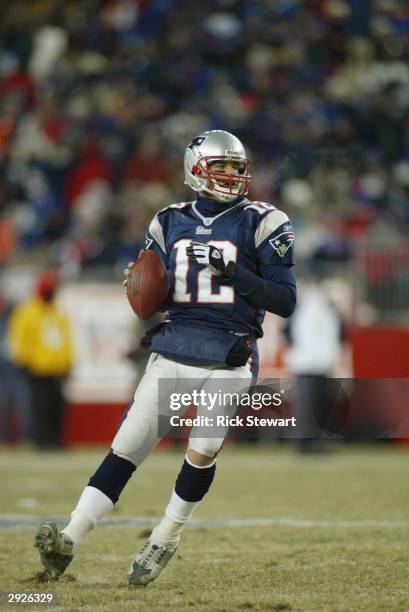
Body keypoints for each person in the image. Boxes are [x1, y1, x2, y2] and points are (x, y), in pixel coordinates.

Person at [34, 130, 296, 585]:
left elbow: (285, 300)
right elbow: (156, 291)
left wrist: (235, 275)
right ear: (196, 170)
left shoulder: (263, 220)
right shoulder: (169, 221)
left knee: (203, 449)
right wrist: (139, 287)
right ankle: (70, 537)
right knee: (128, 447)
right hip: (176, 344)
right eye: (223, 167)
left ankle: (166, 536)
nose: (234, 175)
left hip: (230, 352)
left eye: (238, 167)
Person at [8, 270, 73, 449]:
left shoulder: (58, 312)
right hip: (37, 367)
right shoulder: (28, 312)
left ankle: (55, 440)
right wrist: (22, 359)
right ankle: (41, 440)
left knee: (57, 406)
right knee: (39, 406)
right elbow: (20, 337)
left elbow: (66, 339)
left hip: (57, 368)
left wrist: (68, 361)